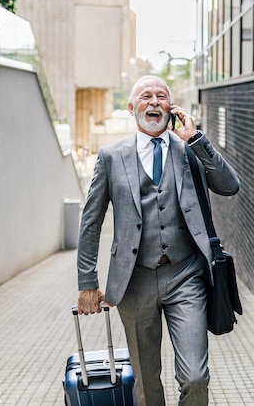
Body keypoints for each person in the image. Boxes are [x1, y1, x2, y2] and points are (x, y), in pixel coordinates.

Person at [76, 75, 240, 405]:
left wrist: (197, 139)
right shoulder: (110, 157)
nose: (154, 101)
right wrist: (87, 282)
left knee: (195, 377)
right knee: (146, 383)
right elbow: (90, 222)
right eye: (146, 96)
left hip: (186, 276)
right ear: (132, 106)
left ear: (172, 106)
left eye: (161, 96)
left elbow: (229, 185)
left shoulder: (189, 149)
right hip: (133, 282)